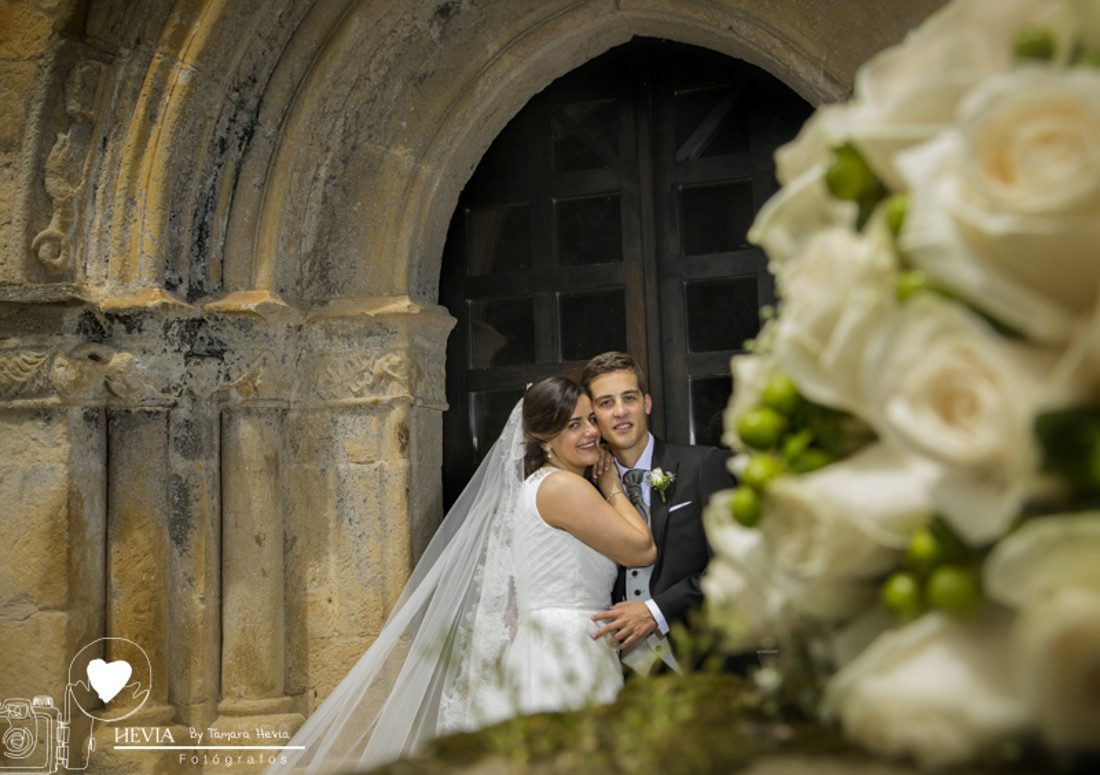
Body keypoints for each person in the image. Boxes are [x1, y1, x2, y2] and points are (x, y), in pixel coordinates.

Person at [265, 377, 653, 774]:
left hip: (555, 643)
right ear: (543, 438)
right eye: (573, 425)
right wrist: (612, 486)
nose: (591, 431)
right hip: (569, 648)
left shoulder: (536, 485)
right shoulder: (566, 487)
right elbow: (642, 548)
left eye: (590, 419)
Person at [582, 351, 735, 675]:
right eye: (606, 403)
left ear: (647, 403)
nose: (621, 411)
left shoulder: (703, 464)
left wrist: (656, 611)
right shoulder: (583, 490)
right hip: (620, 672)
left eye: (629, 398)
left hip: (704, 661)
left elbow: (733, 566)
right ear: (593, 416)